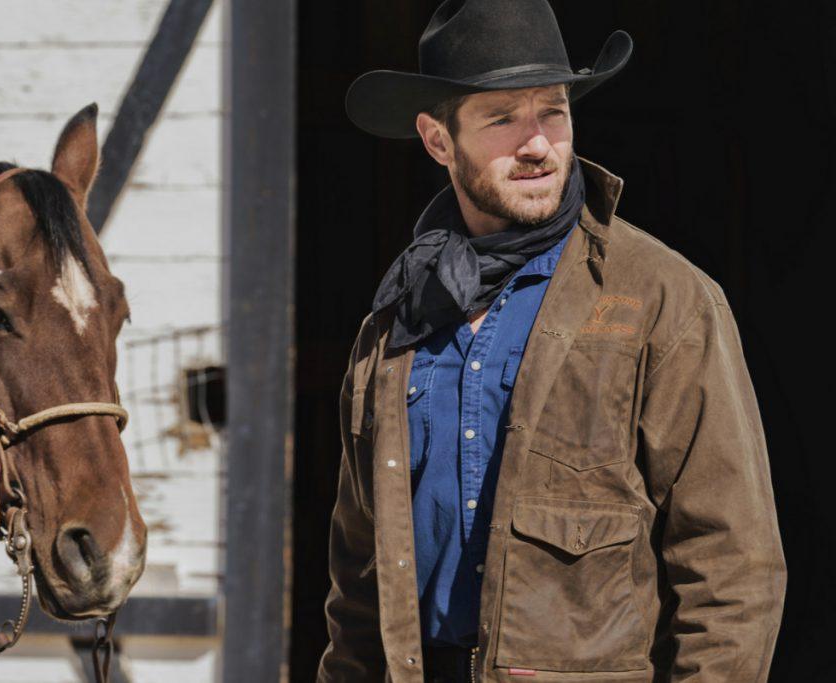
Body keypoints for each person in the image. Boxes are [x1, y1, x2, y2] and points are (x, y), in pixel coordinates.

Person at [316, 1, 786, 681]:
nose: (537, 143)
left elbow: (733, 567)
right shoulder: (393, 326)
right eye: (502, 117)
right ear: (438, 140)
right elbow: (357, 582)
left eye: (553, 112)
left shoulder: (663, 300)